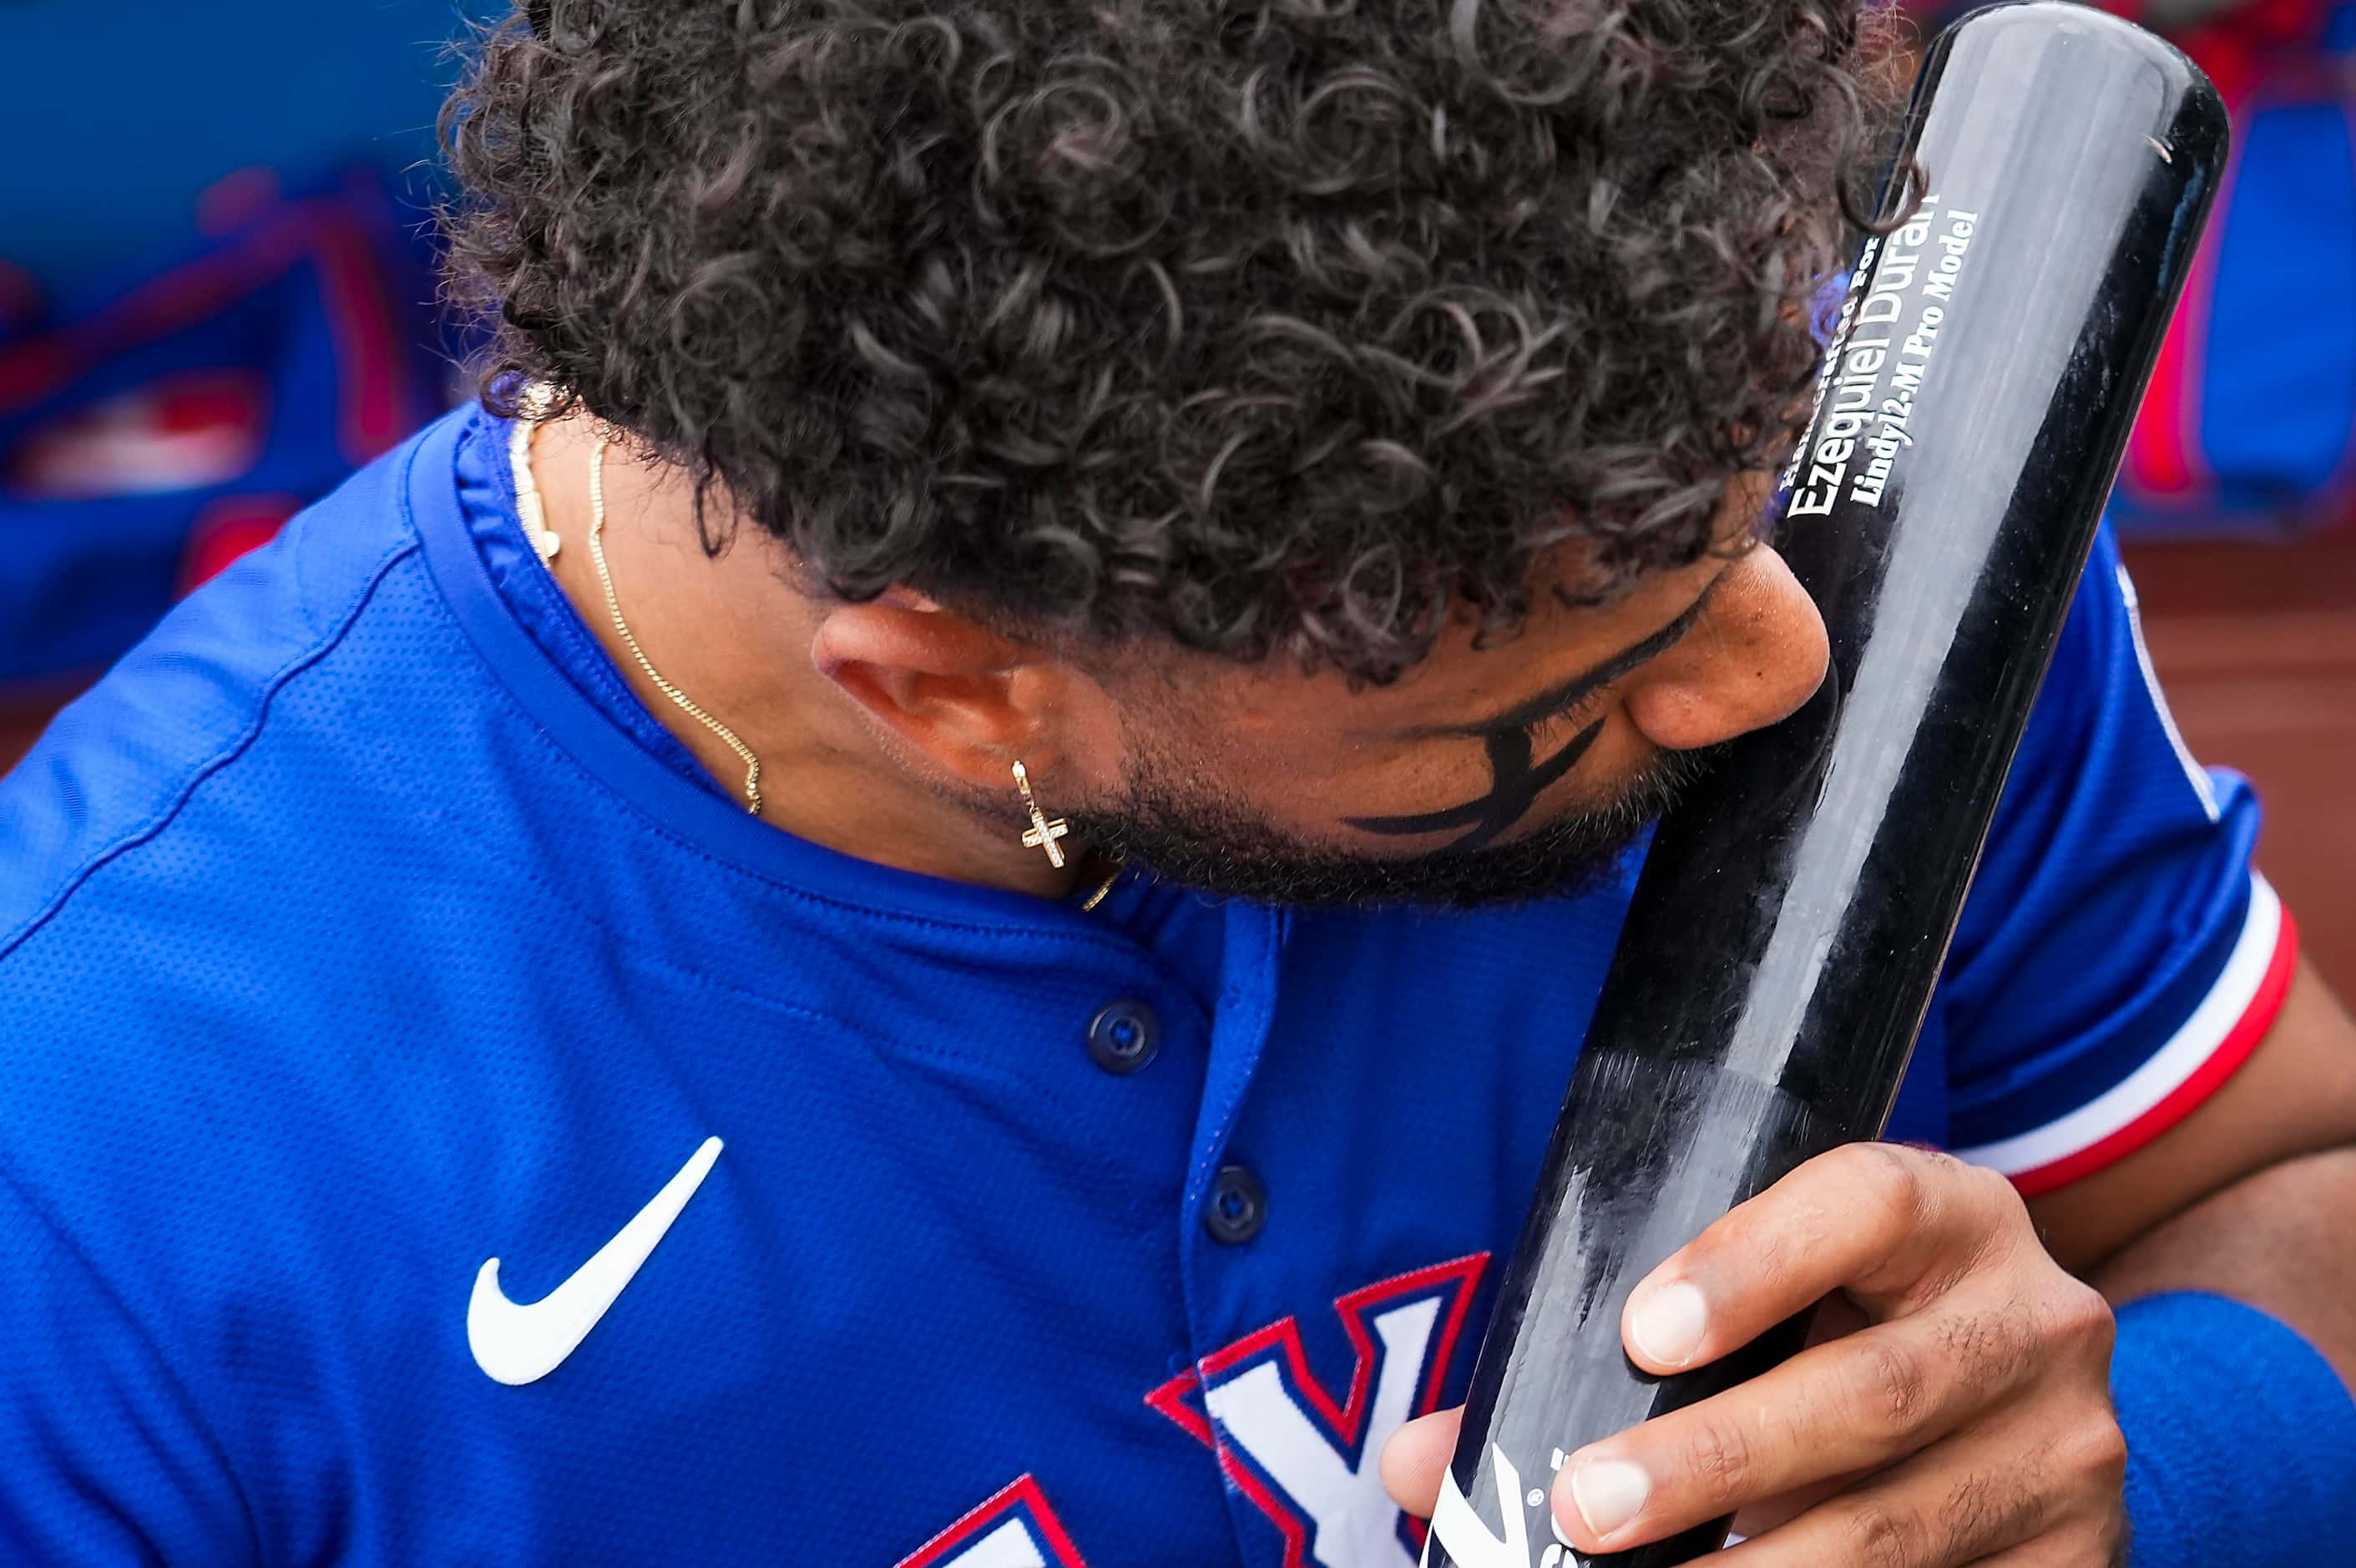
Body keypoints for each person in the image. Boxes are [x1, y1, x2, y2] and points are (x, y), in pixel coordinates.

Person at [3, 3, 2353, 1563]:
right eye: (1559, 681)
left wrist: (2148, 1469)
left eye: (1737, 511)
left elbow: (2294, 1191)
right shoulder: (105, 1166)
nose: (1782, 657)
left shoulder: (1713, 481)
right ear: (952, 692)